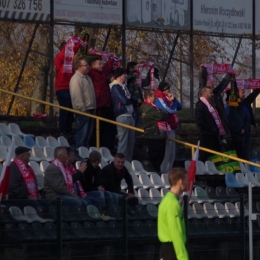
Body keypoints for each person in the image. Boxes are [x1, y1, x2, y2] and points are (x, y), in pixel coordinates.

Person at [158, 167, 188, 260]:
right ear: (181, 181)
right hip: (172, 250)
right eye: (187, 180)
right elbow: (175, 232)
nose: (188, 183)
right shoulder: (172, 203)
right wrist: (183, 257)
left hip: (169, 249)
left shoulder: (169, 199)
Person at [54, 40, 81, 139]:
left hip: (70, 88)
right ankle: (62, 130)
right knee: (64, 110)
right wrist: (70, 44)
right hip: (62, 88)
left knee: (70, 111)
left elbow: (74, 50)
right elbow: (64, 54)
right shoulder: (59, 58)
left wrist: (79, 42)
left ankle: (68, 130)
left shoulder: (70, 60)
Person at [88, 57, 116, 148]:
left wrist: (112, 59)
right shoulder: (91, 73)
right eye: (99, 63)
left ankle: (105, 146)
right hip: (99, 104)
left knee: (109, 126)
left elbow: (107, 68)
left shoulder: (103, 73)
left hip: (107, 103)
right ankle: (94, 145)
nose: (101, 65)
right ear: (93, 65)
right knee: (98, 127)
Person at [155, 82, 182, 174]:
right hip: (166, 127)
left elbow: (180, 107)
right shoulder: (159, 99)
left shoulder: (168, 98)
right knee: (167, 152)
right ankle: (163, 172)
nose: (168, 91)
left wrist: (174, 100)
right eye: (166, 89)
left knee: (172, 153)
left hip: (172, 127)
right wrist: (174, 106)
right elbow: (169, 110)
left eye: (168, 89)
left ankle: (169, 171)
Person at [225, 88, 260, 160]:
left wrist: (245, 128)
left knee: (246, 151)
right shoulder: (229, 107)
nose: (244, 95)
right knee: (239, 152)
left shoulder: (243, 104)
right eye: (242, 93)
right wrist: (238, 129)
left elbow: (247, 119)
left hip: (246, 131)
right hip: (236, 133)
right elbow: (229, 120)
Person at [69, 58, 96, 148]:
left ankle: (85, 151)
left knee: (88, 134)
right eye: (86, 65)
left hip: (90, 108)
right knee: (82, 133)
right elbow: (77, 96)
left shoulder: (87, 78)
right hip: (83, 110)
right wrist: (81, 109)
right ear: (79, 67)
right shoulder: (76, 79)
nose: (88, 67)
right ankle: (80, 152)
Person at [110, 68, 135, 162]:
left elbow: (134, 97)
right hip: (122, 116)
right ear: (120, 75)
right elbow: (124, 100)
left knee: (130, 142)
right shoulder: (115, 87)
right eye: (124, 74)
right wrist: (129, 98)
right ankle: (120, 162)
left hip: (130, 115)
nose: (126, 76)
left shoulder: (124, 86)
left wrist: (130, 98)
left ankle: (128, 162)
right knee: (123, 142)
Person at [140, 89, 168, 173]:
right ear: (149, 97)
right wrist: (163, 113)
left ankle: (157, 172)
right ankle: (153, 174)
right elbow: (160, 116)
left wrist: (163, 113)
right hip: (153, 135)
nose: (155, 98)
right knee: (154, 157)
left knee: (160, 157)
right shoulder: (147, 107)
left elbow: (164, 113)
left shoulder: (154, 107)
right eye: (154, 96)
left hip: (159, 135)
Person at [199, 65, 231, 137]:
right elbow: (203, 79)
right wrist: (203, 70)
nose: (212, 85)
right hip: (210, 129)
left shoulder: (216, 93)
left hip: (221, 127)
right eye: (210, 84)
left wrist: (230, 74)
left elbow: (223, 83)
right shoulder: (202, 94)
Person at [195, 86, 224, 162]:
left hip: (213, 134)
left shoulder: (211, 105)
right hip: (206, 135)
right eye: (210, 93)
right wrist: (210, 128)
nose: (212, 95)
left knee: (216, 154)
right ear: (204, 94)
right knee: (205, 155)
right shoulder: (200, 105)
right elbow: (199, 120)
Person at [126, 61, 144, 126]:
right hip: (132, 104)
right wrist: (133, 73)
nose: (138, 70)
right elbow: (128, 79)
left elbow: (146, 82)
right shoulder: (129, 78)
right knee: (133, 123)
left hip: (138, 104)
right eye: (136, 68)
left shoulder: (137, 80)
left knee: (137, 122)